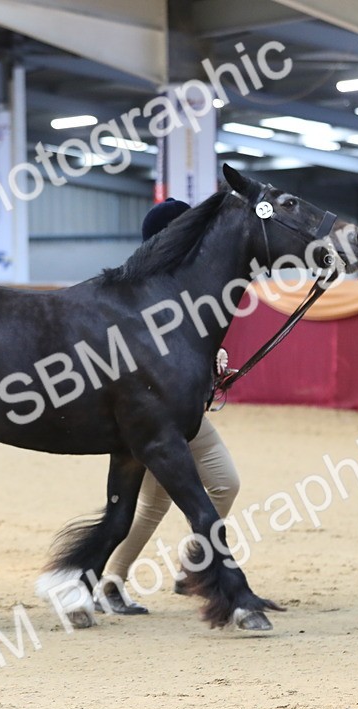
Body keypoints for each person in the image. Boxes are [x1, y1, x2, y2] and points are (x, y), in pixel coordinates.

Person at [98, 197, 241, 614]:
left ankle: (114, 581)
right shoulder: (155, 291)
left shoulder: (166, 288)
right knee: (222, 482)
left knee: (154, 503)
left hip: (161, 414)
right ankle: (192, 568)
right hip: (159, 415)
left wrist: (209, 359)